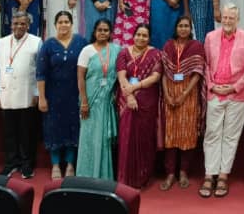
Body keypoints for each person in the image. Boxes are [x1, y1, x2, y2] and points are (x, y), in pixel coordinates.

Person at [199, 4, 244, 198]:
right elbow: (205, 64)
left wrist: (234, 87)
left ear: (237, 20)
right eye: (225, 18)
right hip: (215, 91)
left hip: (238, 94)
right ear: (220, 18)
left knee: (230, 136)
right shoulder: (210, 37)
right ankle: (209, 174)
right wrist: (211, 85)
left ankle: (223, 175)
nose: (227, 21)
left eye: (231, 18)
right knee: (212, 133)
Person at [36, 10, 88, 180]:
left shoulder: (81, 42)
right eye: (60, 22)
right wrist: (42, 98)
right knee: (53, 129)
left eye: (67, 22)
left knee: (74, 128)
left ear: (72, 24)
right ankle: (56, 165)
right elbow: (41, 73)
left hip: (75, 94)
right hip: (53, 96)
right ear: (55, 25)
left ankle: (71, 164)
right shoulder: (48, 45)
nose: (64, 25)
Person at [0, 11, 42, 179]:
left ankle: (27, 164)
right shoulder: (2, 42)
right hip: (6, 93)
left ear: (28, 25)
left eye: (23, 24)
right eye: (16, 23)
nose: (19, 26)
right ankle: (11, 163)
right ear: (11, 25)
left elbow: (40, 70)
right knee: (9, 132)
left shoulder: (36, 42)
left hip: (27, 93)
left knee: (27, 132)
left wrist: (37, 93)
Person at [160, 16, 206, 191]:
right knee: (170, 135)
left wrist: (184, 94)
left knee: (187, 134)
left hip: (189, 94)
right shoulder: (168, 45)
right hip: (170, 92)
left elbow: (198, 73)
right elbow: (164, 72)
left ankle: (183, 172)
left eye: (186, 26)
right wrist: (167, 94)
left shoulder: (196, 46)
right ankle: (170, 173)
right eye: (180, 25)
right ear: (176, 28)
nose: (183, 28)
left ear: (190, 29)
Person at [116, 24, 163, 188]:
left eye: (145, 36)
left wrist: (135, 87)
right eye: (138, 35)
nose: (141, 38)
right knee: (126, 138)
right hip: (126, 100)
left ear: (149, 38)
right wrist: (129, 96)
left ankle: (142, 177)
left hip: (147, 101)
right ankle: (125, 178)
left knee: (145, 138)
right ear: (133, 35)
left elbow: (155, 77)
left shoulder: (155, 54)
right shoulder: (123, 53)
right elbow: (121, 77)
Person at [76, 19, 121, 180]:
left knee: (104, 139)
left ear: (110, 33)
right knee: (89, 136)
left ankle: (103, 175)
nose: (103, 33)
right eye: (100, 30)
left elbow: (120, 74)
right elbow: (80, 78)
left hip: (107, 101)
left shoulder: (116, 50)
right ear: (94, 32)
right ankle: (86, 175)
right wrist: (84, 102)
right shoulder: (87, 51)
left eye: (106, 30)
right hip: (90, 101)